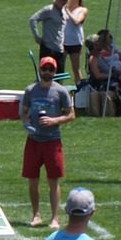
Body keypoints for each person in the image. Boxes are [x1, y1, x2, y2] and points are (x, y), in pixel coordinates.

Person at [20, 55, 74, 228]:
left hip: (52, 141)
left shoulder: (61, 91)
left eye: (51, 69)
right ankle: (36, 215)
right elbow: (23, 112)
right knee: (33, 180)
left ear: (55, 71)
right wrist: (27, 124)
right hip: (33, 141)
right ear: (40, 70)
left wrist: (54, 121)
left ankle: (54, 218)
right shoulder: (30, 90)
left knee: (53, 180)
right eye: (45, 69)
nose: (48, 72)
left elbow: (71, 114)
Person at [28, 0, 70, 72]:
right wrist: (37, 36)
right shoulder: (49, 10)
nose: (62, 1)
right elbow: (33, 19)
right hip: (48, 48)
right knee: (46, 74)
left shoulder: (64, 11)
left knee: (59, 75)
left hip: (60, 49)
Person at [62, 0, 89, 82]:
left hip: (75, 42)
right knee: (60, 68)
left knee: (76, 69)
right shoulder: (63, 7)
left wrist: (67, 10)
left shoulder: (82, 10)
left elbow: (76, 21)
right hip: (63, 41)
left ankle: (79, 91)